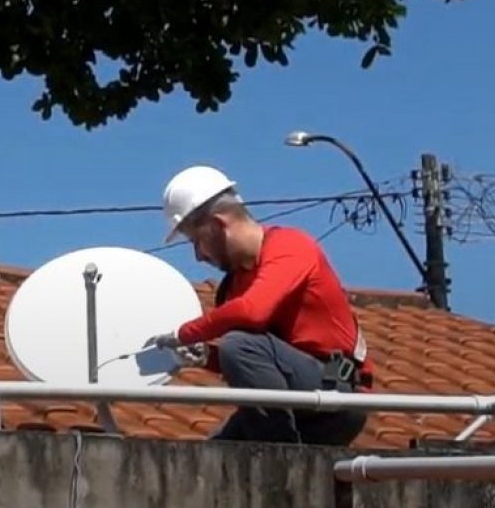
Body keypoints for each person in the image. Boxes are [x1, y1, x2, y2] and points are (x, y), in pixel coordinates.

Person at [147, 164, 372, 446]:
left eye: (197, 241)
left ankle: (280, 457)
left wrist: (184, 334)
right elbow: (258, 363)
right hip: (299, 398)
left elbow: (252, 313)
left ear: (218, 225)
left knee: (238, 344)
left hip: (337, 395)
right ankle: (275, 455)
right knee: (216, 453)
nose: (199, 256)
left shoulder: (291, 247)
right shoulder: (234, 287)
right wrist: (205, 356)